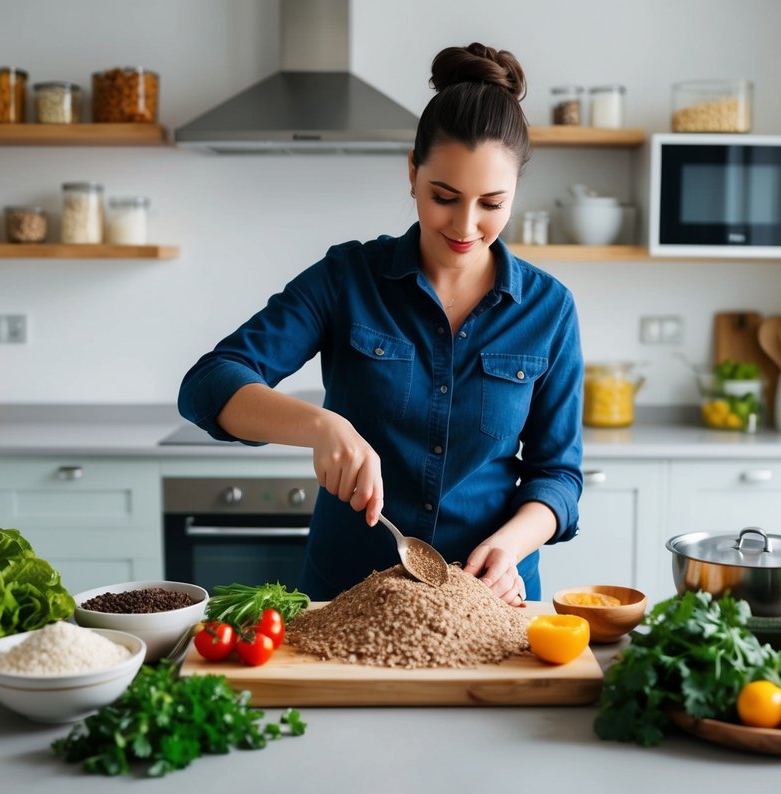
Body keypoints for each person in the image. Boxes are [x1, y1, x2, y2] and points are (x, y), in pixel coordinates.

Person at [178, 42, 583, 605]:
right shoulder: (346, 279)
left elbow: (558, 475)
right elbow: (208, 384)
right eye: (444, 196)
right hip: (345, 598)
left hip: (490, 600)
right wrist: (322, 427)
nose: (466, 225)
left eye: (491, 203)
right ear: (412, 171)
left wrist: (512, 546)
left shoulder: (549, 309)